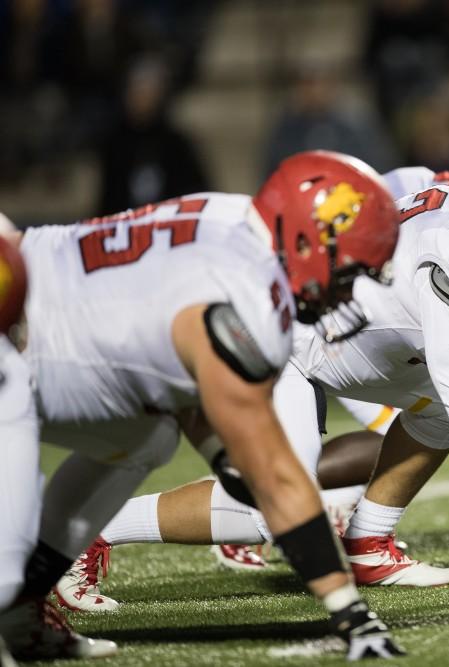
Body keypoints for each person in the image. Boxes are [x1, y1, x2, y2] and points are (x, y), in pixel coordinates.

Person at [59, 120, 449, 606]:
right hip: (284, 338)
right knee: (276, 511)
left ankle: (369, 543)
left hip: (350, 339)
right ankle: (91, 530)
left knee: (444, 409)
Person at [0, 150, 404, 661]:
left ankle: (23, 609)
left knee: (146, 437)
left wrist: (222, 453)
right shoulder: (242, 303)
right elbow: (276, 478)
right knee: (4, 552)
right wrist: (348, 608)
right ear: (304, 239)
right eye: (347, 272)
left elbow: (163, 351)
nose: (346, 292)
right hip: (16, 336)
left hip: (41, 312)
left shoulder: (232, 216)